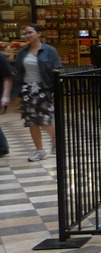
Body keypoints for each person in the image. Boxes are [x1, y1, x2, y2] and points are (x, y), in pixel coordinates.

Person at [12, 24, 62, 162]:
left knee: (44, 121)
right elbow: (18, 73)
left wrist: (54, 89)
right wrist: (16, 93)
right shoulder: (22, 52)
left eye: (30, 32)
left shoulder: (49, 50)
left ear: (39, 34)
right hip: (27, 89)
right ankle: (39, 150)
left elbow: (56, 69)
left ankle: (55, 139)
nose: (27, 35)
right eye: (25, 33)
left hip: (43, 89)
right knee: (32, 121)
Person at [0, 50, 13, 158]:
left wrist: (5, 95)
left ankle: (3, 146)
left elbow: (8, 77)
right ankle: (2, 146)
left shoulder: (1, 57)